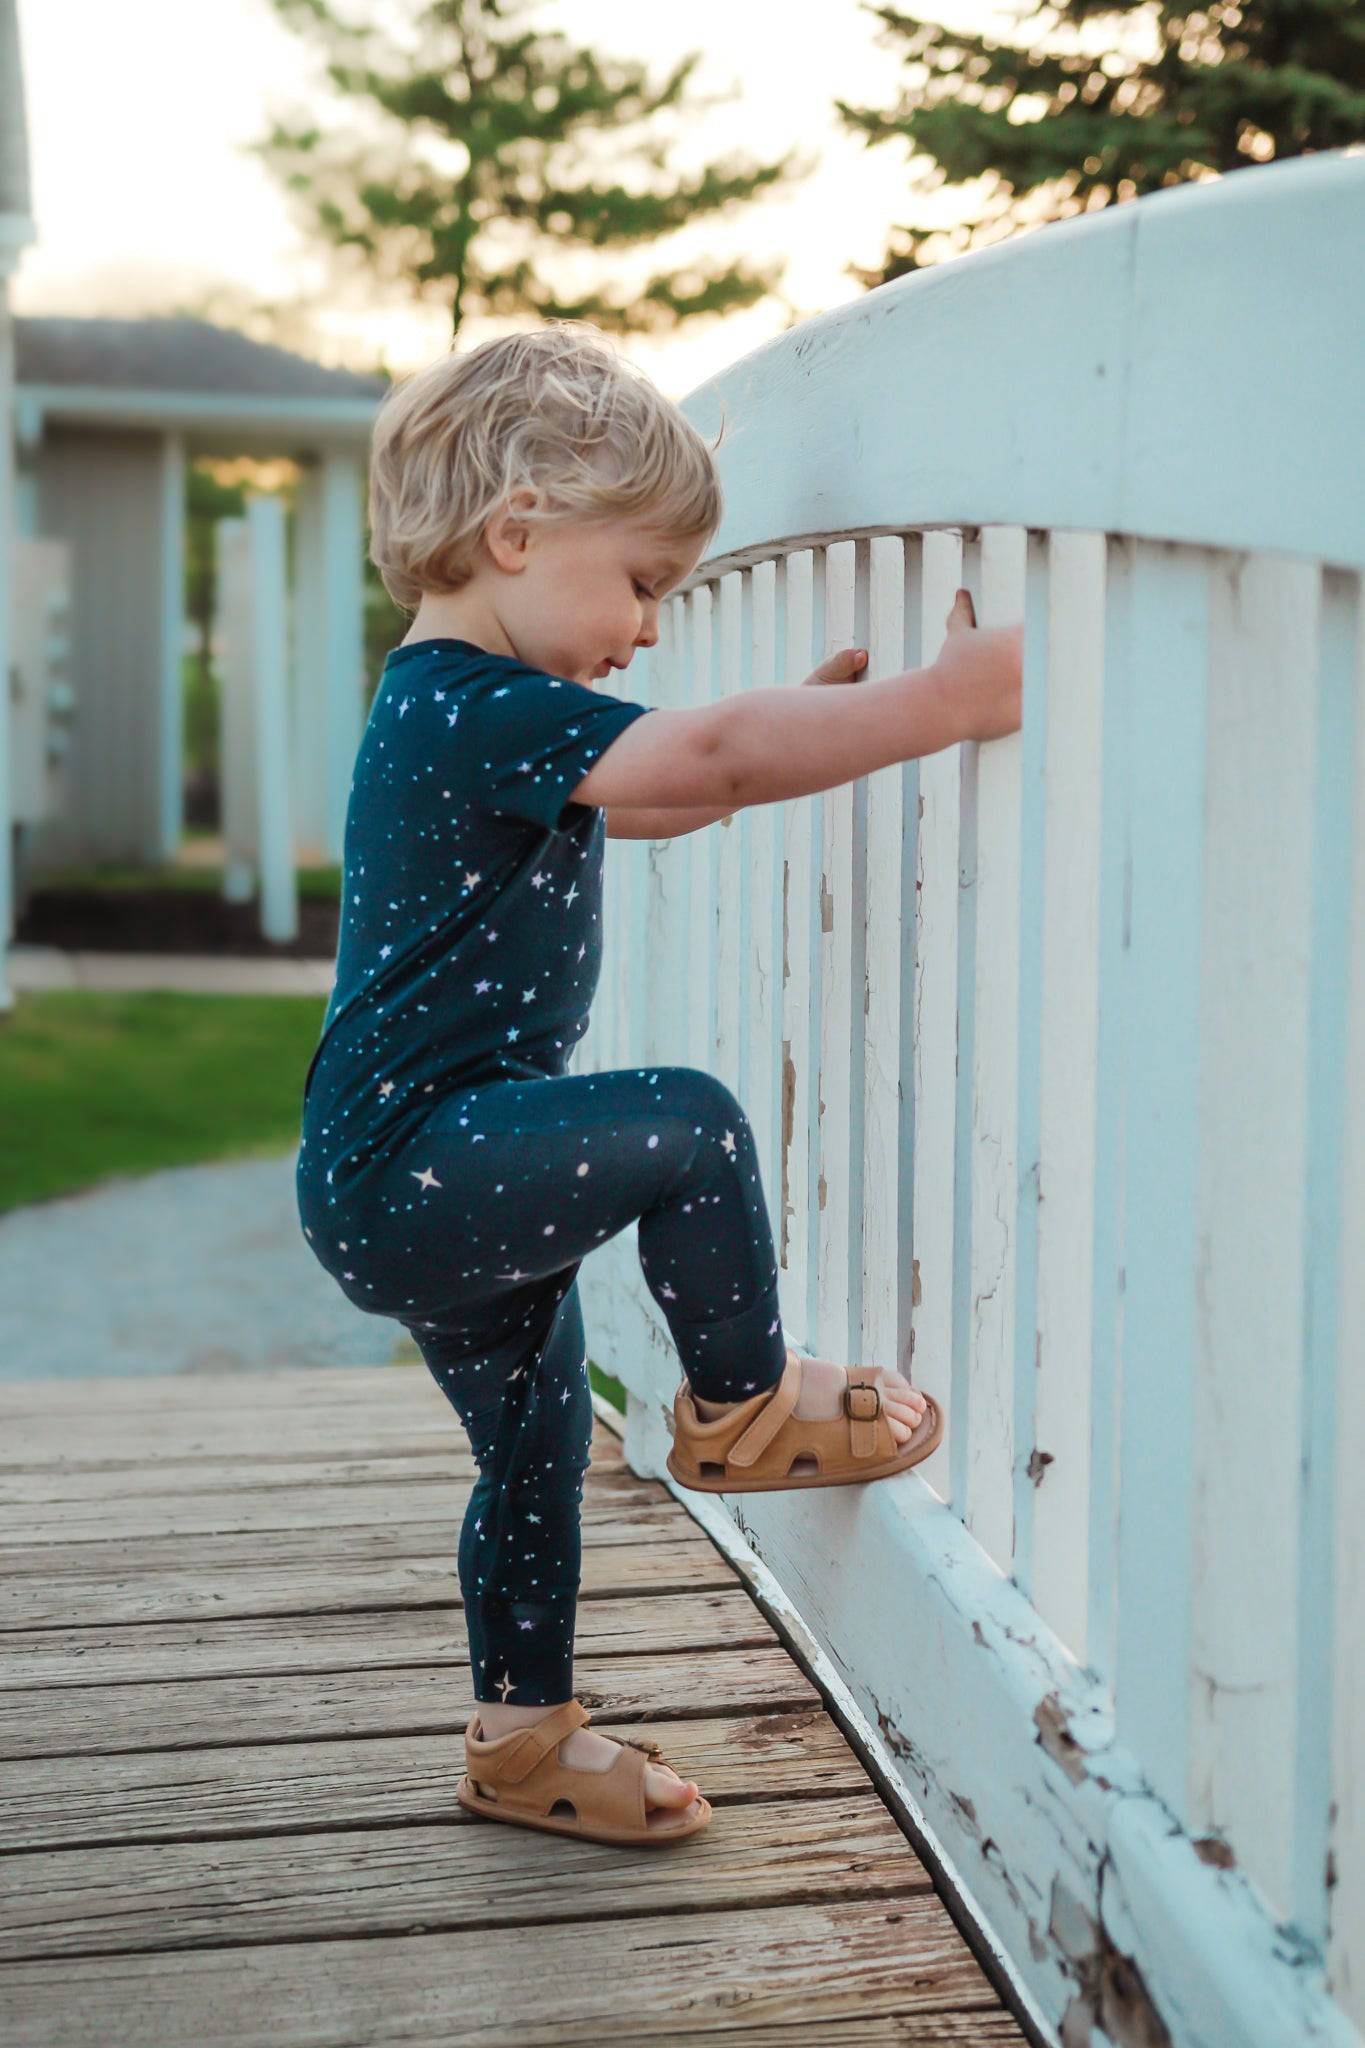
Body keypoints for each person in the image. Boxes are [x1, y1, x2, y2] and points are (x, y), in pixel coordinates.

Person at [295, 321, 1022, 1846]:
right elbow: (710, 760)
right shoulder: (465, 705)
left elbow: (670, 796)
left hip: (407, 1173)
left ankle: (519, 1742)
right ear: (516, 530)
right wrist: (939, 702)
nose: (642, 631)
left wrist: (812, 723)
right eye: (638, 584)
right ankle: (743, 1411)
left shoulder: (448, 712)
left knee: (534, 1449)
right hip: (428, 1156)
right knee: (692, 1123)